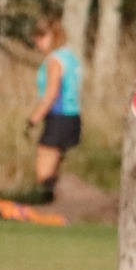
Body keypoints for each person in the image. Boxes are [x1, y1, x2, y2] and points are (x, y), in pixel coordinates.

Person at [27, 18, 82, 203]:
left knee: (43, 171)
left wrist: (34, 118)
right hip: (72, 117)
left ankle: (56, 202)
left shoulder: (55, 61)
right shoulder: (70, 57)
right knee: (54, 166)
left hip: (59, 117)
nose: (37, 41)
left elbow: (51, 93)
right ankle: (56, 202)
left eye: (42, 36)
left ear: (54, 36)